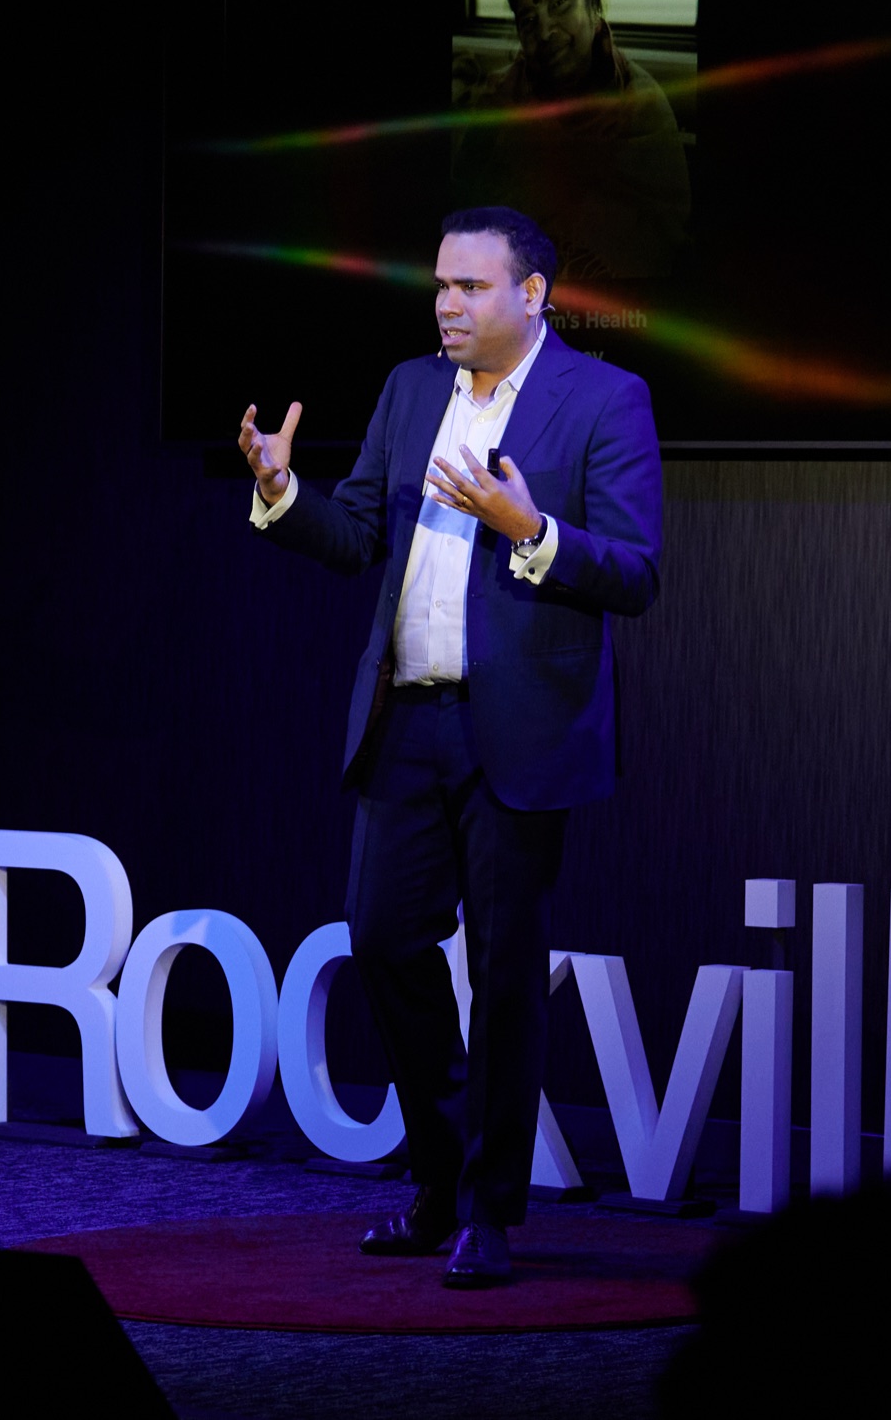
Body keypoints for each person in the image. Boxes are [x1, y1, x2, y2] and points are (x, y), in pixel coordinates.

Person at [237, 205, 661, 1287]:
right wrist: (285, 494)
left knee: (504, 973)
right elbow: (358, 538)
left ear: (533, 294)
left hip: (520, 729)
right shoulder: (410, 388)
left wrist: (532, 530)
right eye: (439, 285)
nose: (446, 305)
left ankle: (485, 1210)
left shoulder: (606, 400)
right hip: (407, 717)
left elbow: (636, 570)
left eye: (471, 287)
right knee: (380, 939)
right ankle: (438, 1172)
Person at [452, 0, 690, 280]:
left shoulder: (640, 108)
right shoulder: (499, 103)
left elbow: (658, 246)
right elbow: (465, 214)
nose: (545, 32)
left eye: (560, 4)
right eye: (529, 20)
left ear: (594, 6)